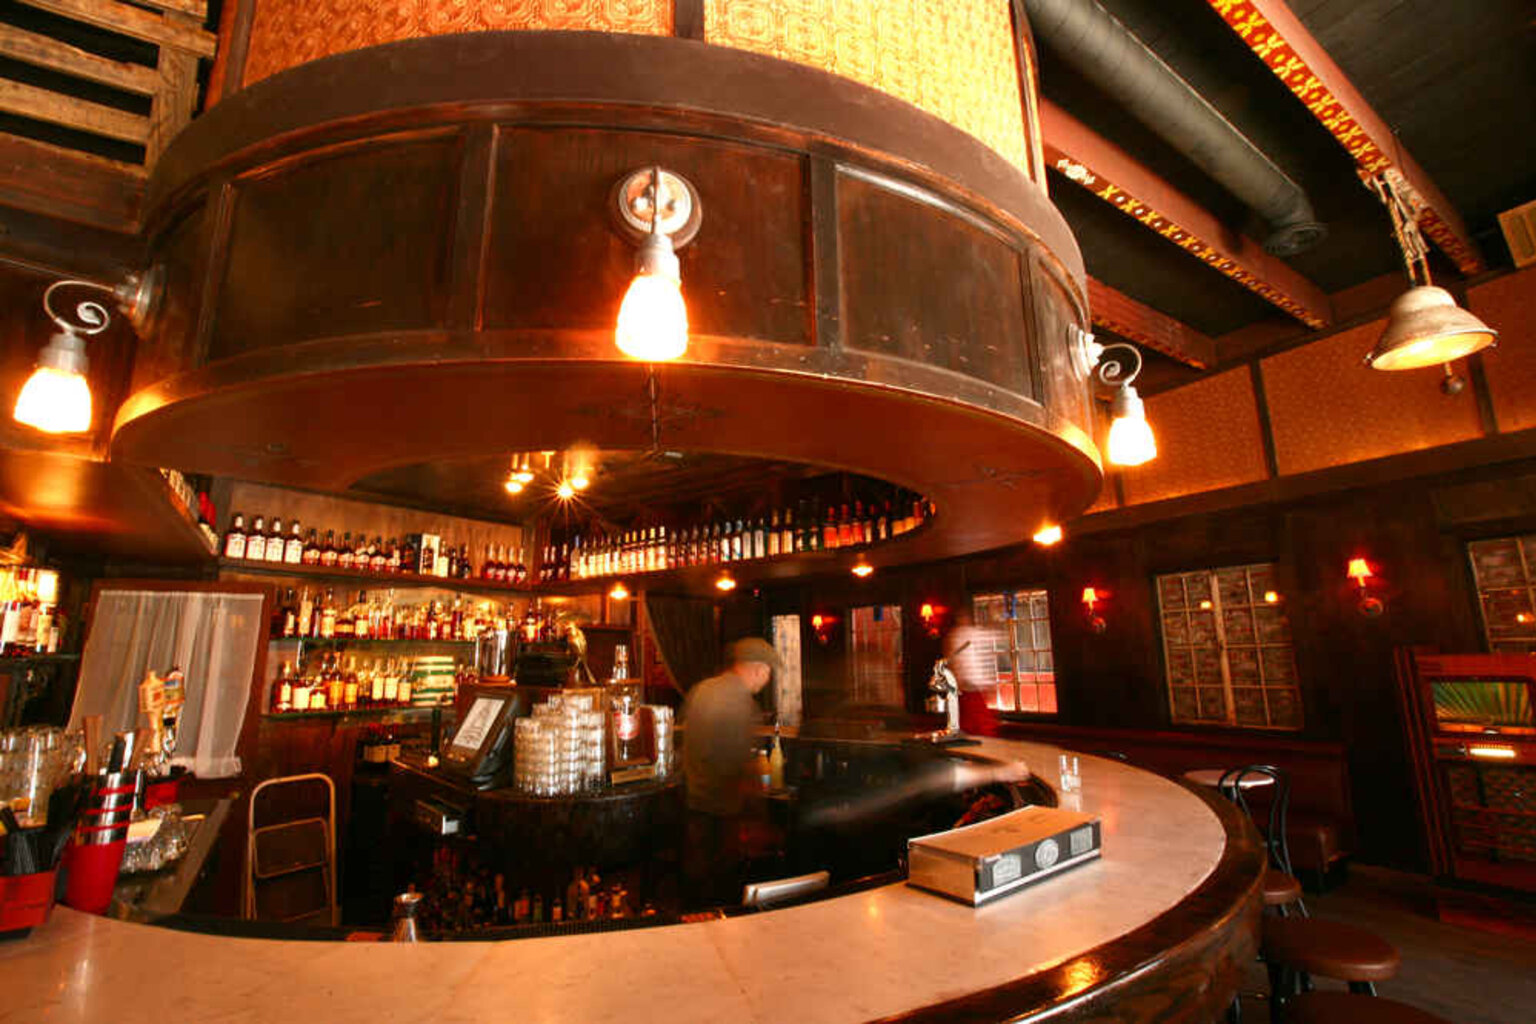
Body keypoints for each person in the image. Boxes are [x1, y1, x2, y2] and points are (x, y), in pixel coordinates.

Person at [680, 637, 781, 907]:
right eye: (768, 672)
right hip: (724, 816)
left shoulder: (702, 690)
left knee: (695, 887)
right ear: (758, 669)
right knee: (721, 892)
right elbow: (740, 765)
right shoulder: (742, 703)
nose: (767, 680)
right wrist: (757, 817)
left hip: (693, 805)